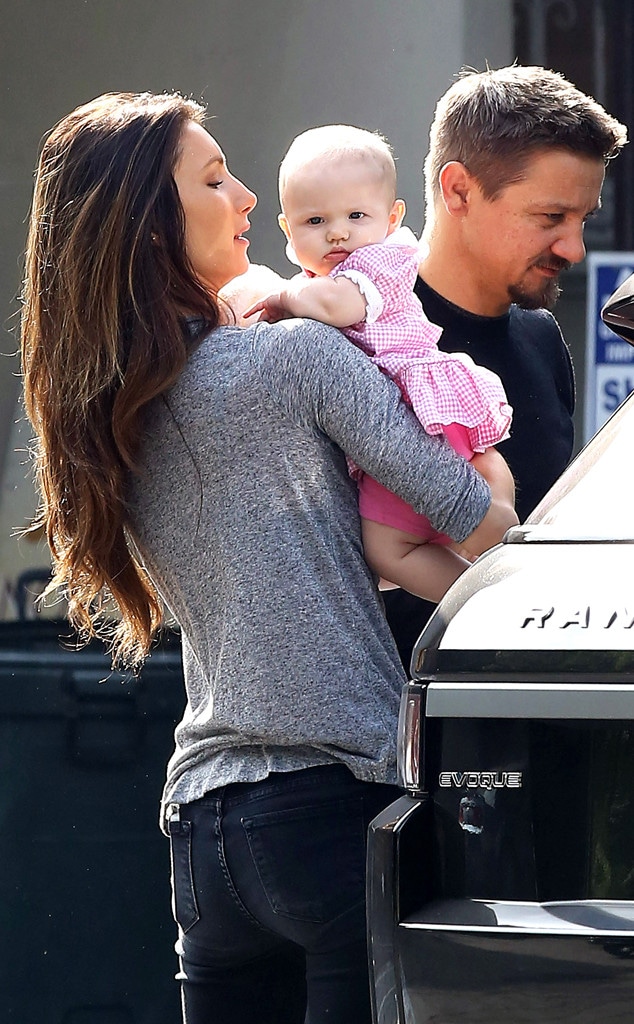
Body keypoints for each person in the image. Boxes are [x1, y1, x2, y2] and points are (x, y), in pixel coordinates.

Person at [20, 92, 517, 1024]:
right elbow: (465, 514)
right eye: (214, 180)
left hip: (202, 834)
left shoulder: (110, 408)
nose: (249, 196)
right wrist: (496, 454)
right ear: (149, 221)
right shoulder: (294, 359)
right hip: (335, 804)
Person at [384, 63, 628, 667]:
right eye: (550, 219)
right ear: (459, 190)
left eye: (582, 220)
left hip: (529, 716)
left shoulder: (542, 338)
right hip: (377, 734)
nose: (573, 248)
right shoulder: (358, 337)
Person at [246, 124, 513, 603]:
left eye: (355, 215)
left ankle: (481, 600)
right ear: (287, 228)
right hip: (407, 423)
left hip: (414, 412)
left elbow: (339, 307)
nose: (338, 232)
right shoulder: (322, 277)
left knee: (389, 551)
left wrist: (286, 295)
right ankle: (496, 554)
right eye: (314, 222)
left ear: (392, 217)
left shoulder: (381, 261)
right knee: (472, 481)